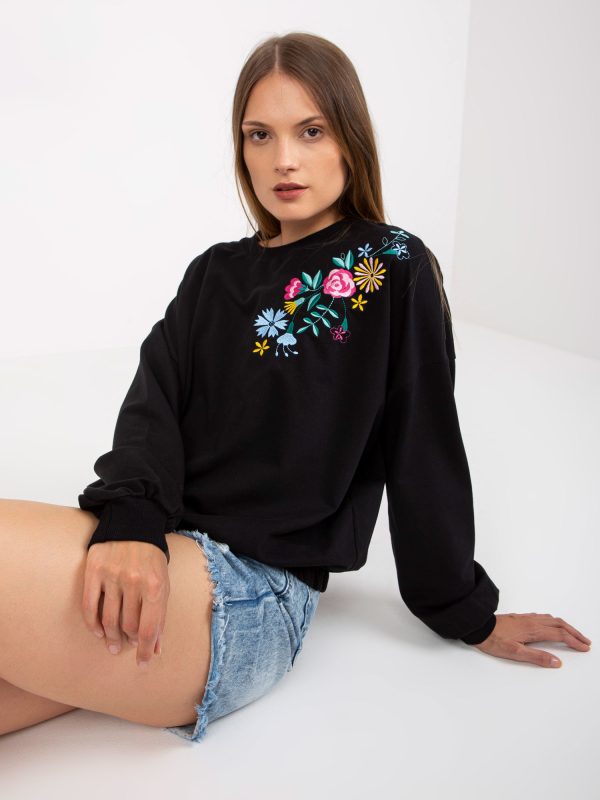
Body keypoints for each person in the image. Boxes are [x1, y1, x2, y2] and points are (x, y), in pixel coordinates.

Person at [0, 32, 591, 743]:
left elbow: (423, 443)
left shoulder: (389, 264)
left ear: (349, 138)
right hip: (159, 556)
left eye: (311, 131)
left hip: (248, 592)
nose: (283, 159)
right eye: (260, 134)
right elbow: (151, 410)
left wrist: (465, 611)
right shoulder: (213, 273)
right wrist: (132, 522)